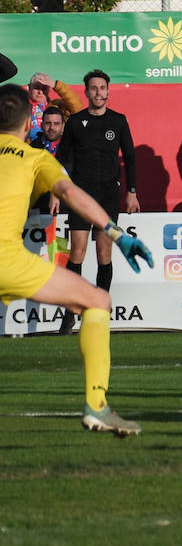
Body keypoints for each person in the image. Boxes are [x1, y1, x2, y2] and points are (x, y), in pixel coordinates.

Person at [0, 83, 152, 435]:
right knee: (97, 300)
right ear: (28, 125)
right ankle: (96, 406)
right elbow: (69, 192)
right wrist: (114, 233)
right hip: (9, 261)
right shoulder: (36, 157)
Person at [53, 70, 138, 336]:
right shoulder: (76, 122)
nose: (99, 92)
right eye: (94, 88)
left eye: (103, 88)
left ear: (108, 91)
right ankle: (69, 315)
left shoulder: (119, 121)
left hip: (108, 196)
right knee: (76, 254)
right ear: (87, 92)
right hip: (80, 195)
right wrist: (56, 191)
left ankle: (100, 313)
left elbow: (131, 158)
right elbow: (63, 159)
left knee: (104, 254)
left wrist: (132, 192)